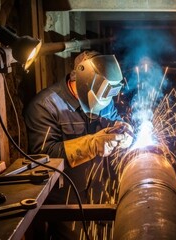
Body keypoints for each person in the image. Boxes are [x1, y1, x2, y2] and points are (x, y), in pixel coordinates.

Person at [23, 50, 133, 239]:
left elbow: (115, 121)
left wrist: (124, 131)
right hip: (67, 200)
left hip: (100, 192)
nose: (108, 98)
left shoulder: (104, 102)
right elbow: (43, 156)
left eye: (112, 92)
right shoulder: (45, 106)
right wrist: (92, 144)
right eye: (105, 91)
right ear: (84, 79)